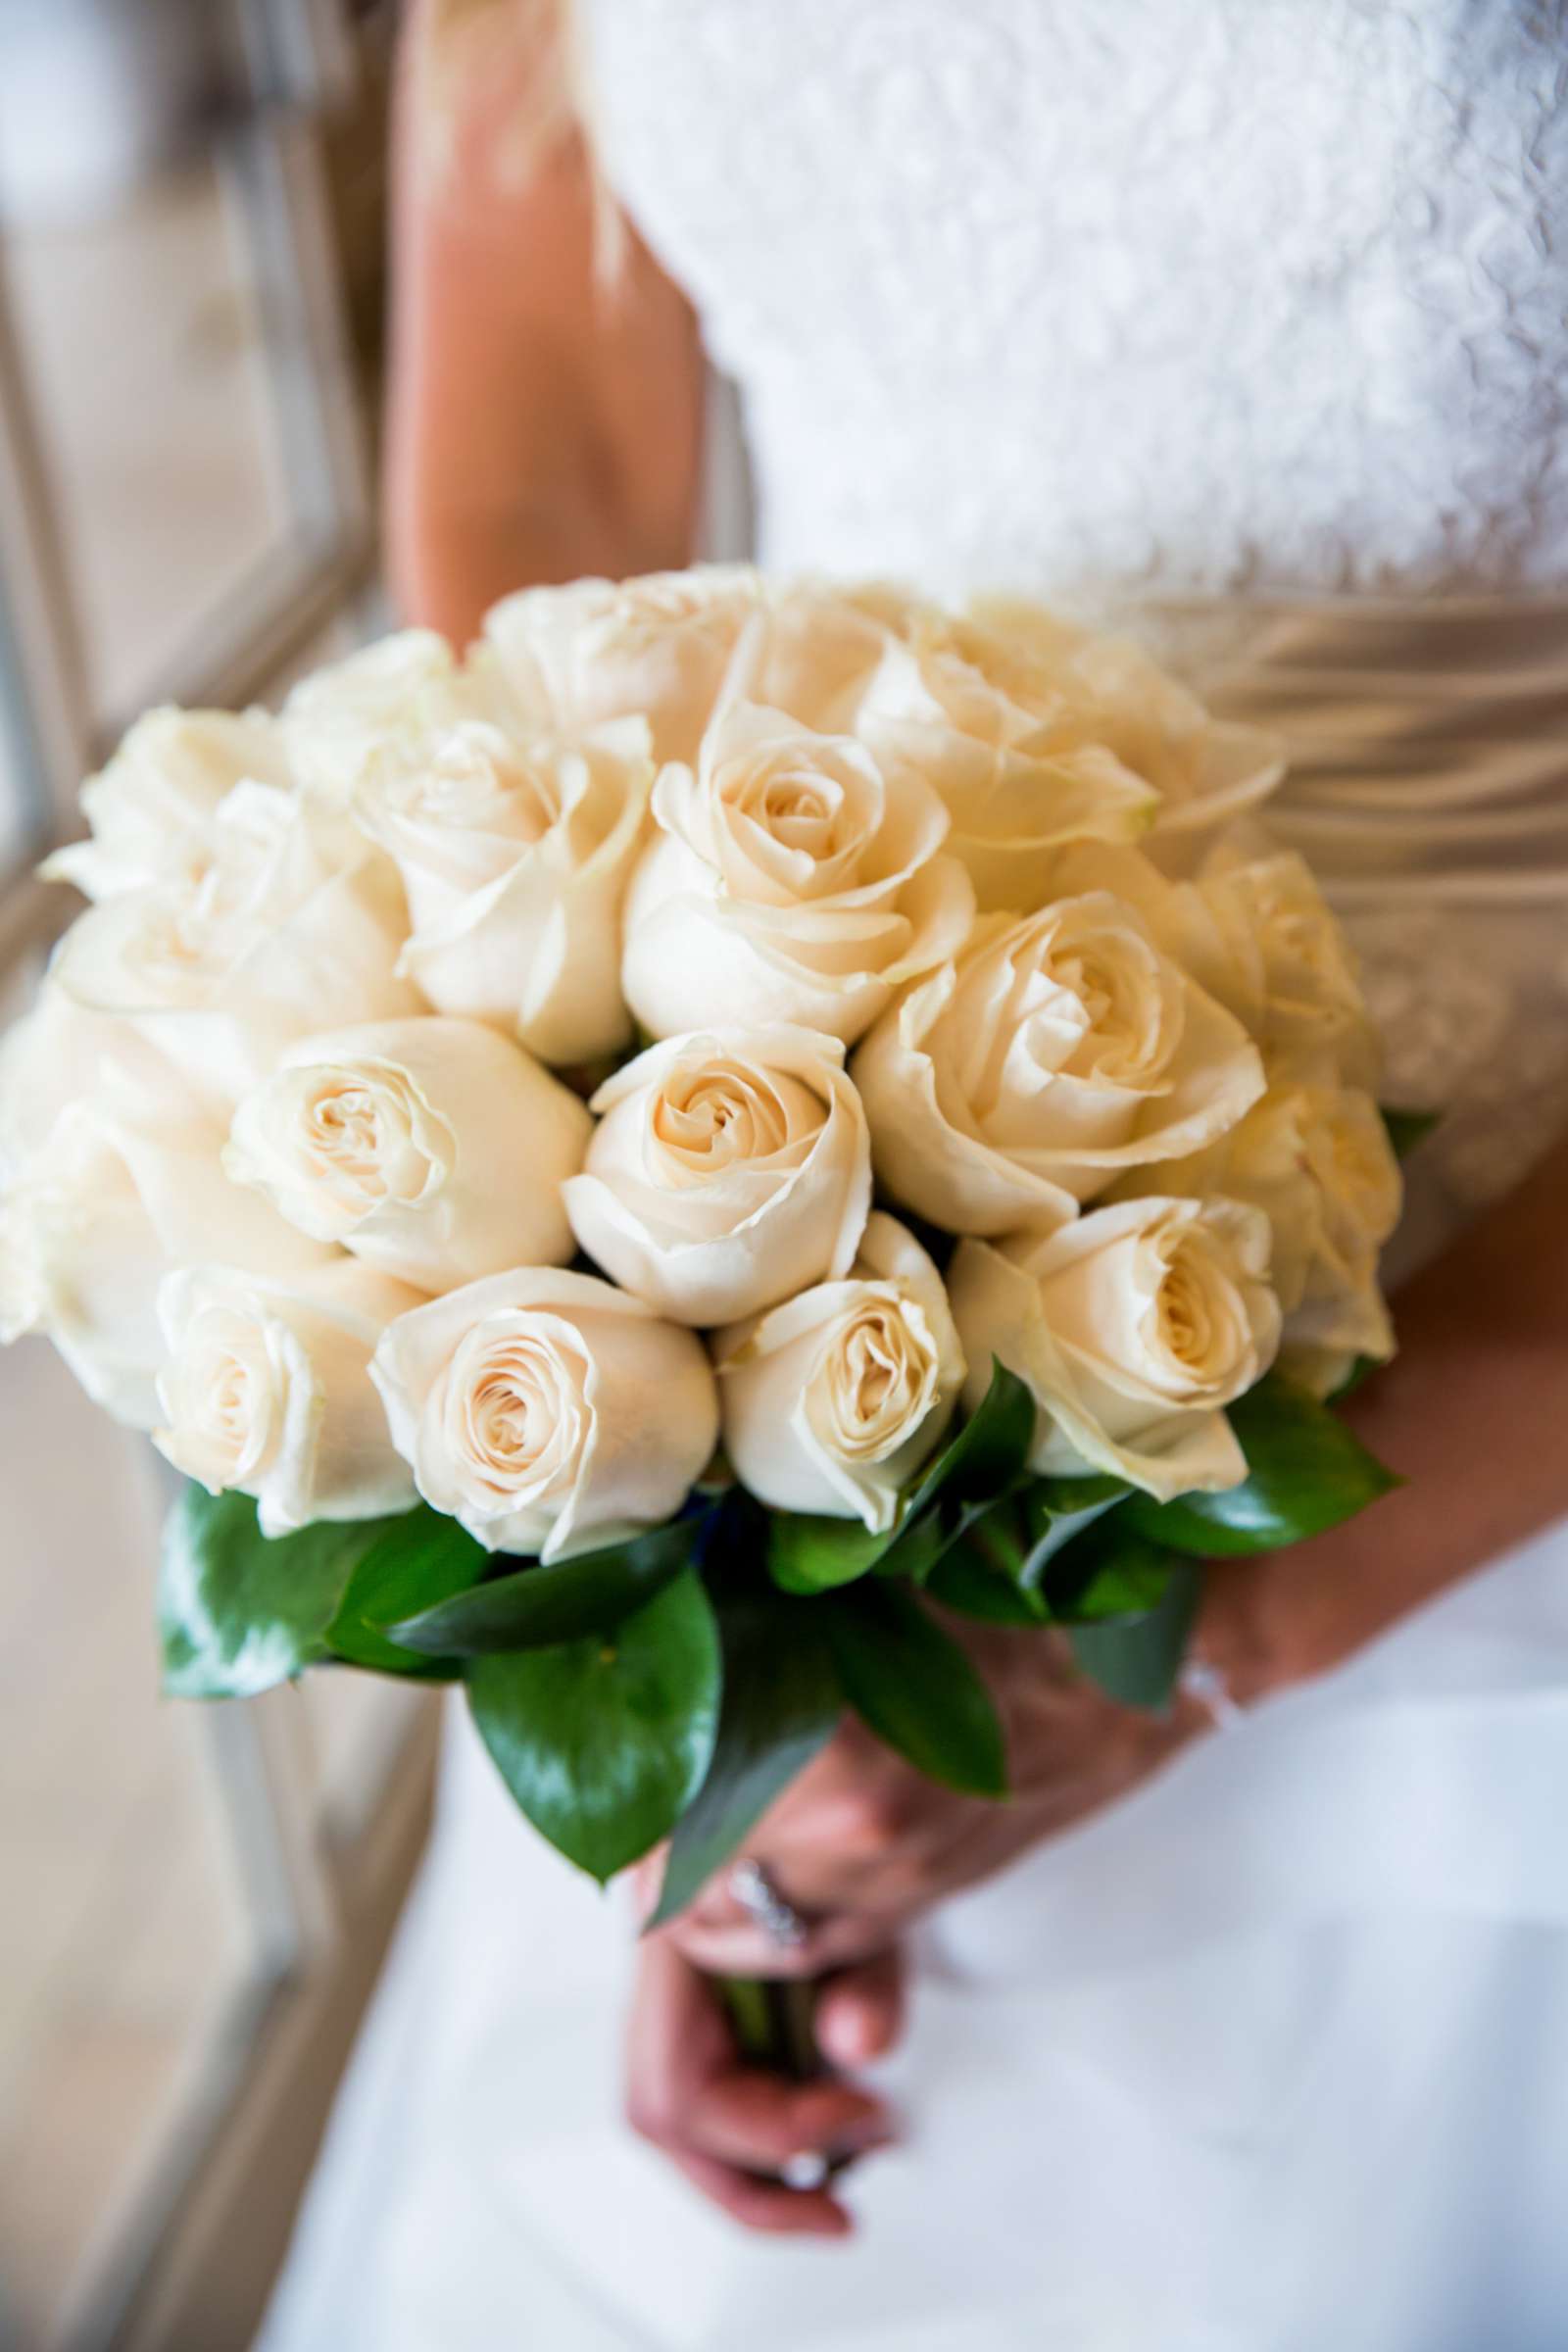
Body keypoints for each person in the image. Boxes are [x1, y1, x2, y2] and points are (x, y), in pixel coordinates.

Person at [261, 4, 1568, 2343]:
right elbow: (541, 497)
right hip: (805, 1259)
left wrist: (1192, 1655)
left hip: (1496, 1403)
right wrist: (711, 1667)